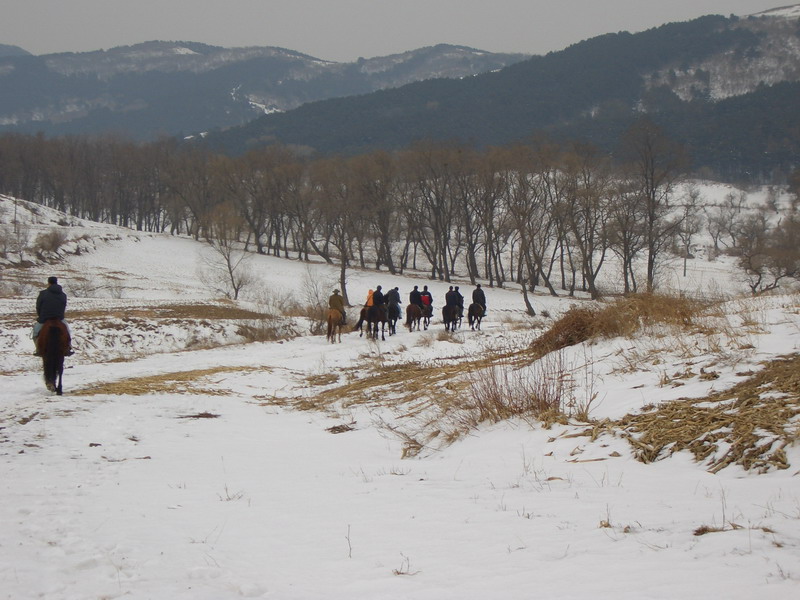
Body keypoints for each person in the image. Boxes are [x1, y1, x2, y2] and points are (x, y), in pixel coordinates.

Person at [34, 276, 73, 355]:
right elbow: (63, 306)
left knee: (35, 333)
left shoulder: (42, 293)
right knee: (68, 333)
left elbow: (38, 306)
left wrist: (40, 316)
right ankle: (68, 348)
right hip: (59, 318)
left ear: (48, 283)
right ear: (56, 282)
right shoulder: (63, 295)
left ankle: (38, 349)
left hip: (44, 318)